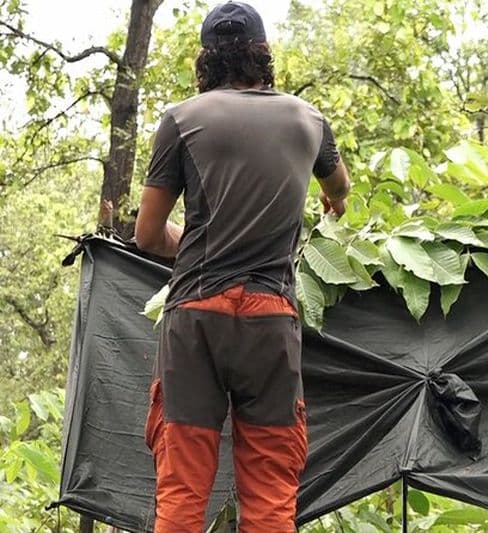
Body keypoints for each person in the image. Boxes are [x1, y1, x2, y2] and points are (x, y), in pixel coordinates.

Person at [134, 2, 351, 531]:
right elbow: (340, 187)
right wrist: (335, 201)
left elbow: (147, 236)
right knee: (272, 493)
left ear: (205, 58)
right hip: (270, 319)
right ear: (263, 52)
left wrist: (193, 240)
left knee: (182, 491)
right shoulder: (309, 119)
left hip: (195, 318)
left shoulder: (181, 120)